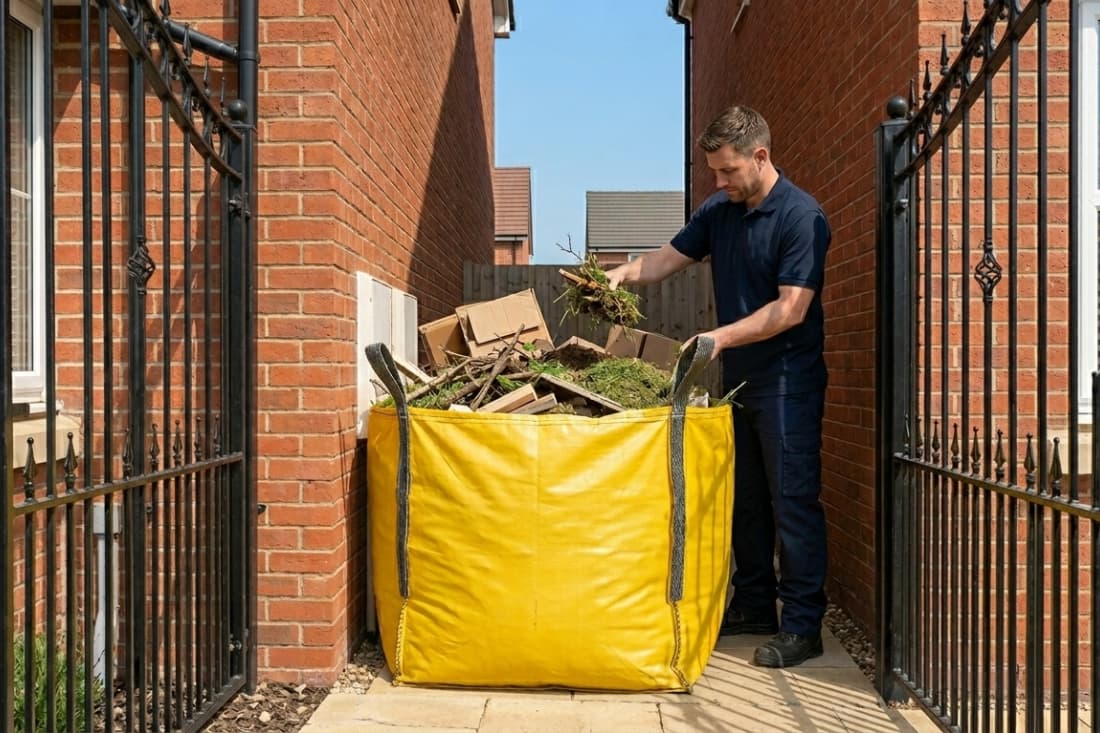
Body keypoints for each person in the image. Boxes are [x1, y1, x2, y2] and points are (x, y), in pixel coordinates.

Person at [605, 105, 831, 669]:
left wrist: (719, 337)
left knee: (792, 505)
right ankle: (754, 604)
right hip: (741, 384)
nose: (719, 181)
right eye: (713, 172)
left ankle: (803, 625)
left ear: (760, 156)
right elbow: (665, 259)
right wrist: (619, 275)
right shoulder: (720, 211)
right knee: (747, 504)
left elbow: (790, 308)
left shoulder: (801, 217)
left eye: (727, 171)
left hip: (788, 384)